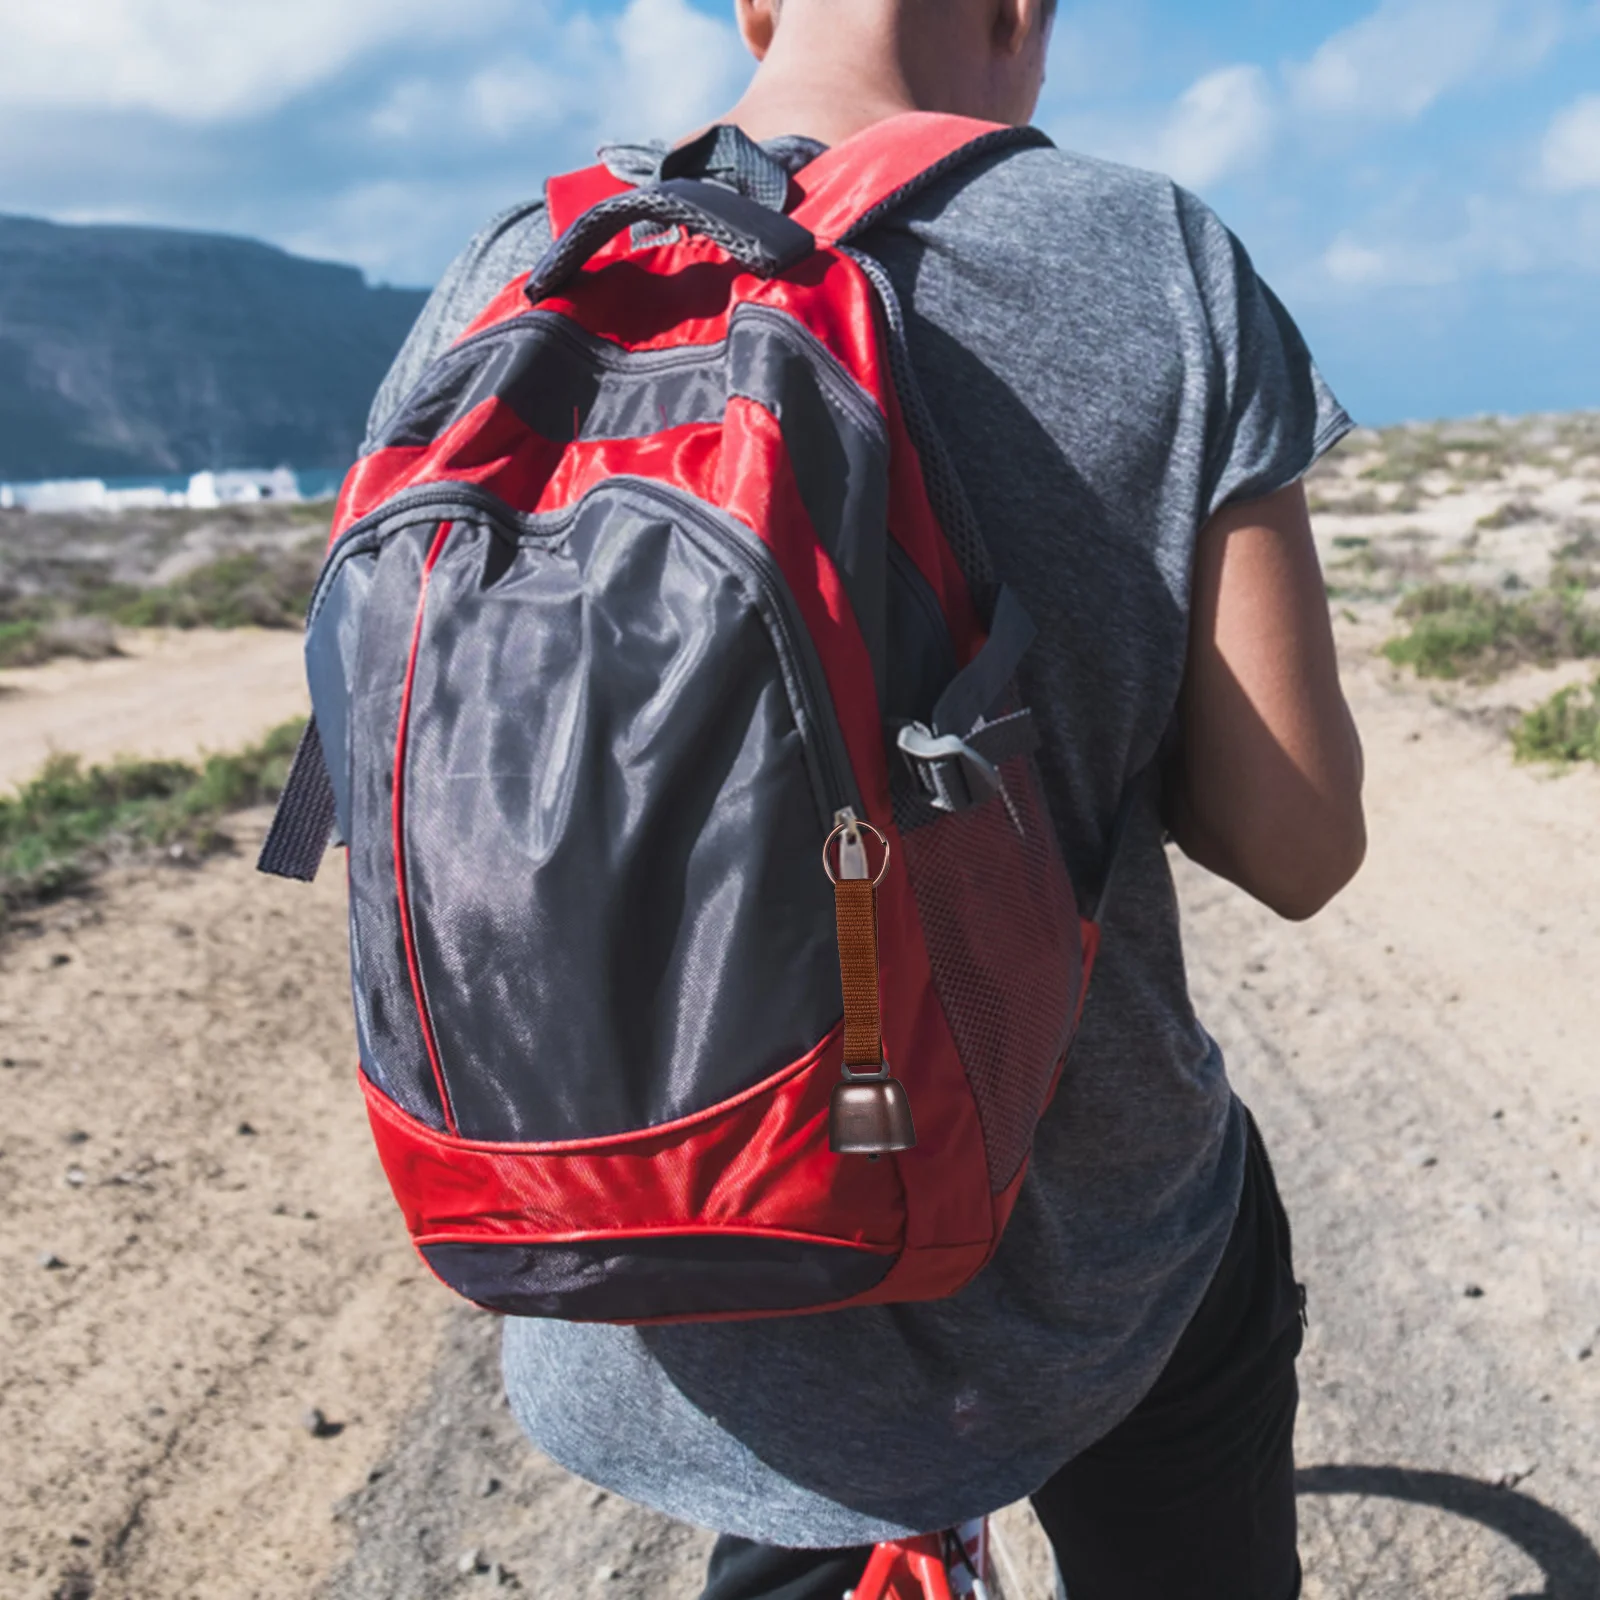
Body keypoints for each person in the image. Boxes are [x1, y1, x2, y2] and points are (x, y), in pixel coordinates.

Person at [363, 1, 1367, 1594]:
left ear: (755, 1)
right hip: (1083, 1260)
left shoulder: (525, 269)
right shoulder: (1149, 253)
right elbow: (1296, 843)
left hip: (668, 1240)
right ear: (1020, 8)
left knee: (797, 1449)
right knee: (1192, 1307)